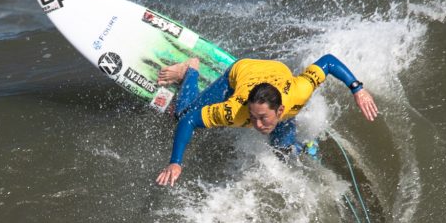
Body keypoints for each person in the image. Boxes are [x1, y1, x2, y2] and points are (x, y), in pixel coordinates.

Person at [155, 54, 379, 186]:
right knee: (180, 113)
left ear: (280, 110)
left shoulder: (299, 92)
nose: (256, 125)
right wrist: (176, 161)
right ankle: (190, 69)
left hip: (276, 73)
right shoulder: (234, 111)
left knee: (282, 150)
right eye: (252, 118)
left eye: (262, 118)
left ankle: (299, 146)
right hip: (240, 72)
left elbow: (328, 62)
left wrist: (357, 89)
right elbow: (189, 121)